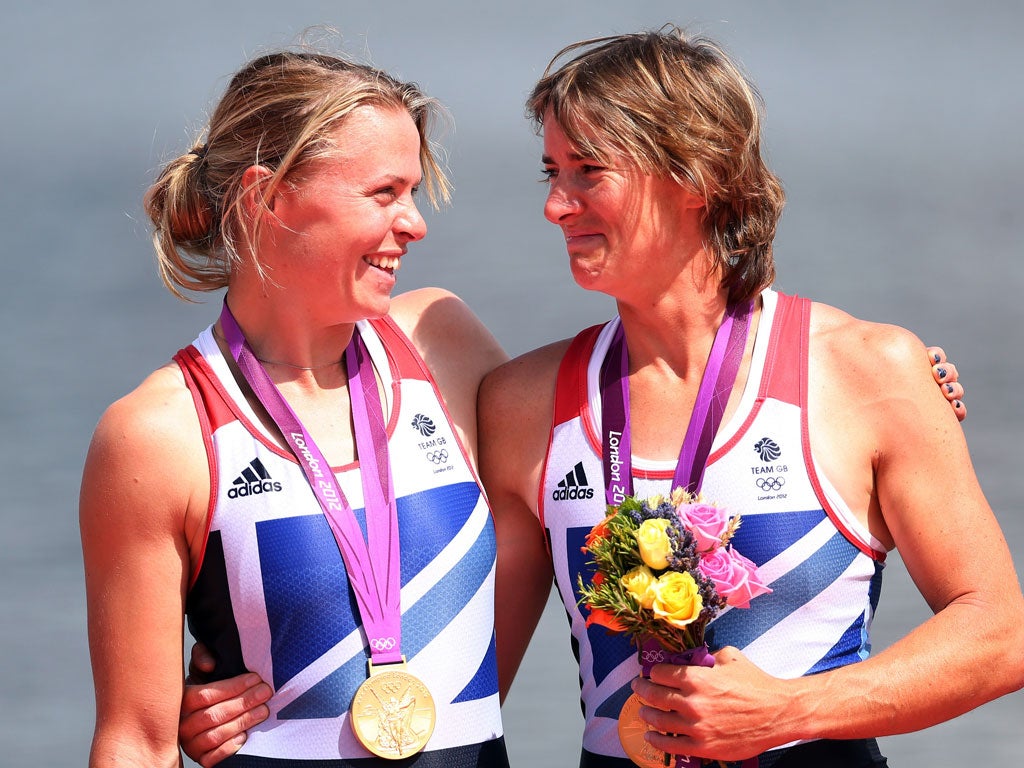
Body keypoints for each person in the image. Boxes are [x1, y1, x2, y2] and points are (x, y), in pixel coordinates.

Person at [172, 30, 985, 768]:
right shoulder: (527, 404)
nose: (556, 206)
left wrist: (792, 710)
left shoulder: (867, 371)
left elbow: (999, 630)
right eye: (551, 174)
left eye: (587, 172)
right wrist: (259, 706)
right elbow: (449, 661)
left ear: (695, 175)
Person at [79, 51, 511, 767]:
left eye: (413, 191)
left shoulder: (443, 345)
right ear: (267, 196)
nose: (415, 223)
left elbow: (612, 453)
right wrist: (178, 705)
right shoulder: (160, 434)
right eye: (385, 192)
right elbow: (136, 740)